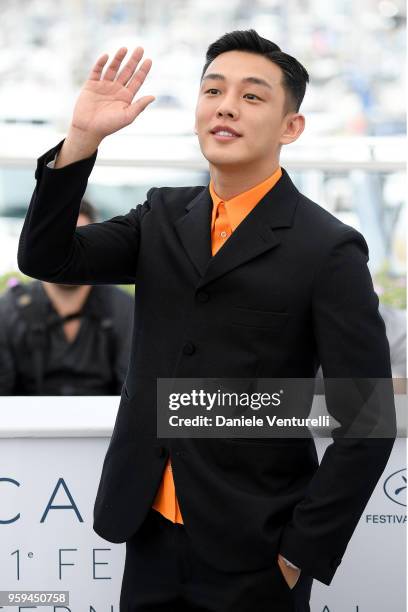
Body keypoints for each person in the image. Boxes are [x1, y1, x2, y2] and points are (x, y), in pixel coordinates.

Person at [17, 30, 396, 612]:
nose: (225, 105)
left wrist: (299, 552)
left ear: (291, 127)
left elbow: (366, 418)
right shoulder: (161, 216)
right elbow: (47, 258)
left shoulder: (328, 248)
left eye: (252, 96)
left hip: (256, 552)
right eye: (213, 90)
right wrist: (82, 141)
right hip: (146, 530)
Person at [1, 199, 134, 395]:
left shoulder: (125, 309)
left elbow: (136, 390)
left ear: (97, 245)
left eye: (81, 239)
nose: (68, 252)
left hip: (107, 424)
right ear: (40, 244)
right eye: (58, 241)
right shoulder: (8, 309)